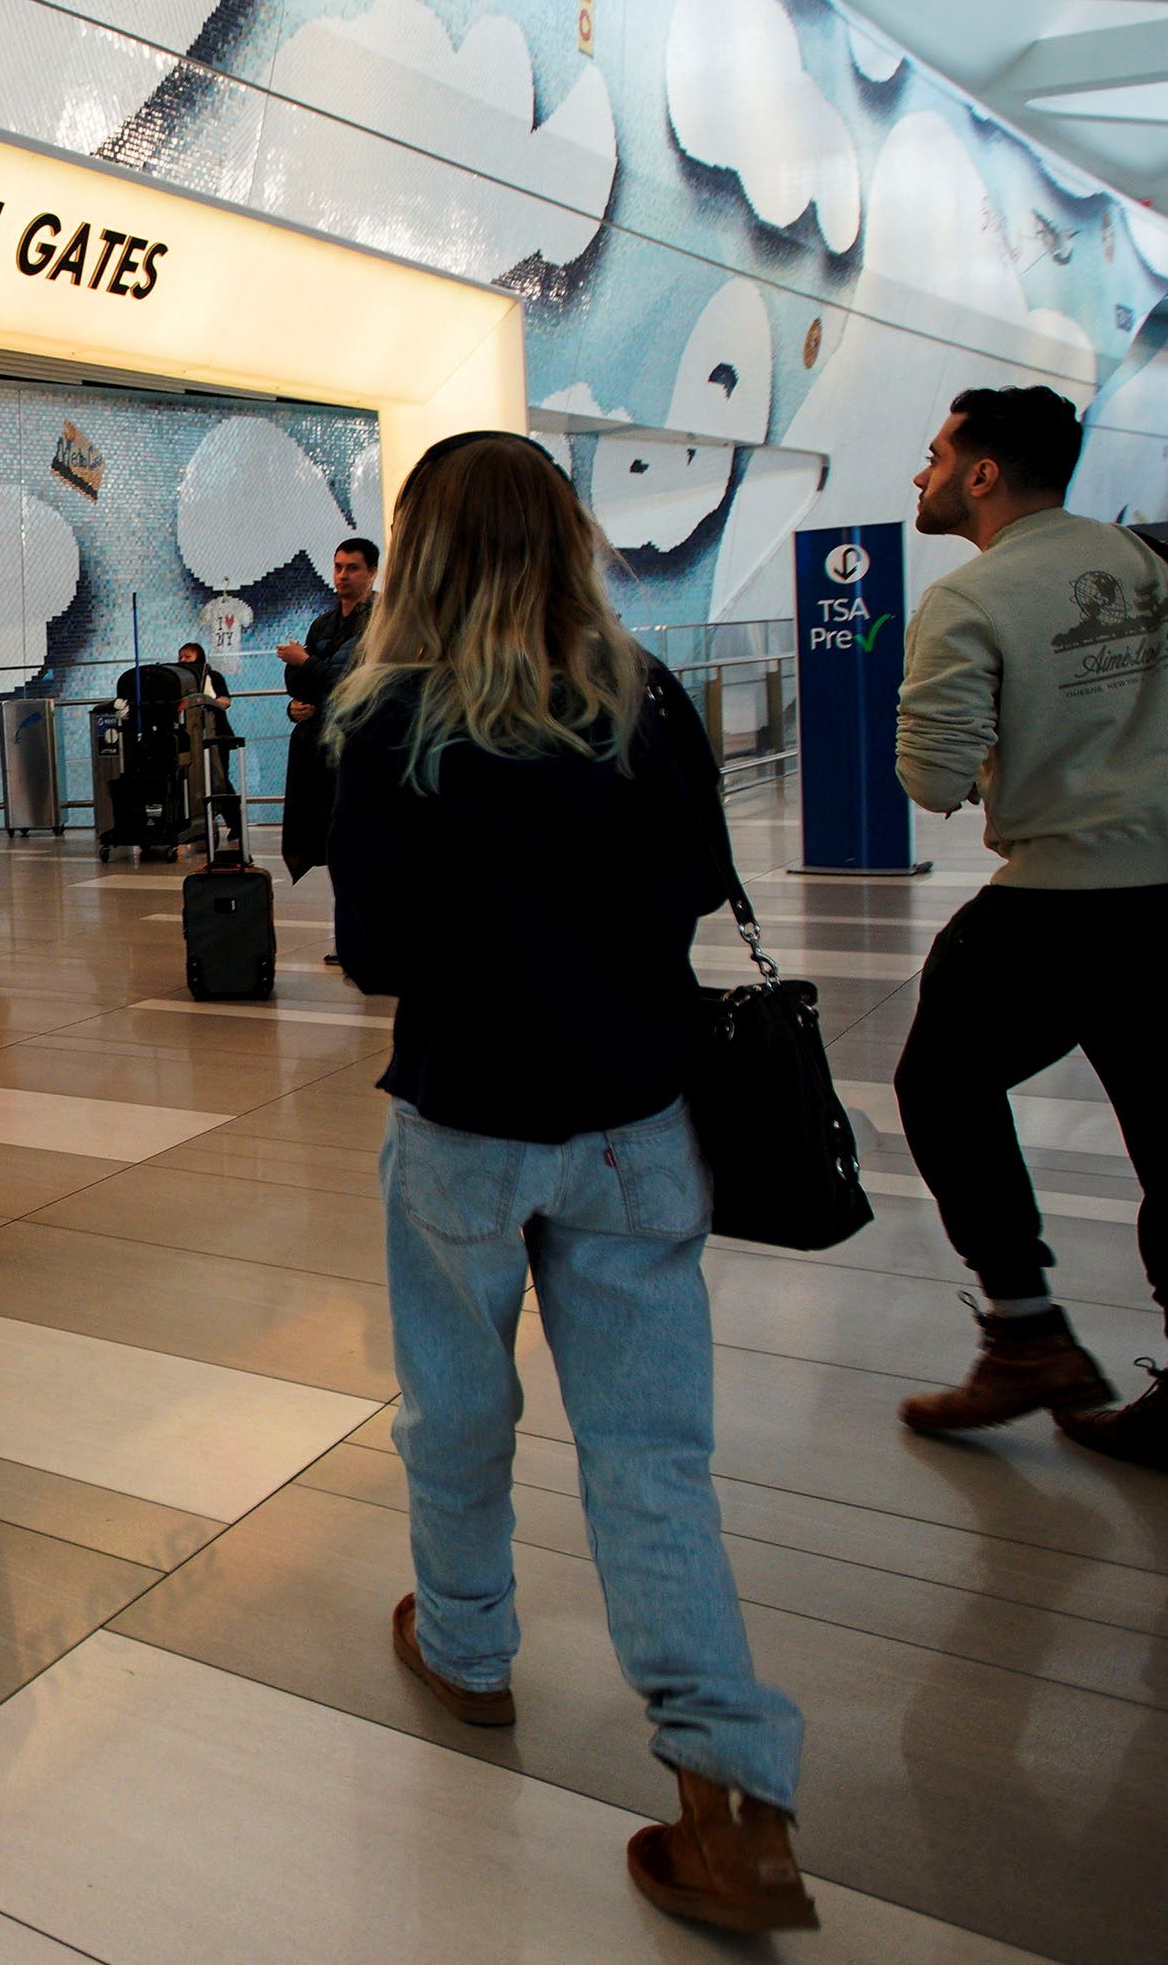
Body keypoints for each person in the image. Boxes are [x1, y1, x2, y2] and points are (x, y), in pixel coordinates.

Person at [327, 433, 812, 1935]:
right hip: (633, 1119)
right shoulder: (641, 695)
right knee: (653, 1455)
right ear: (568, 535)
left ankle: (469, 1649)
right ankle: (730, 1803)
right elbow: (690, 887)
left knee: (458, 1406)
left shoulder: (384, 717)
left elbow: (375, 951)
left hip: (468, 1118)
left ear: (418, 555)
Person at [890, 385, 1168, 1499]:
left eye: (932, 454)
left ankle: (1025, 1332)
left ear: (980, 475)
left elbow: (930, 780)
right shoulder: (1153, 571)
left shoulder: (971, 598)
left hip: (1058, 904)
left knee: (937, 1085)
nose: (917, 475)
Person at [280, 536, 378, 958]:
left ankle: (373, 937)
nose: (343, 575)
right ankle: (350, 937)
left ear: (371, 572)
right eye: (338, 567)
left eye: (352, 567)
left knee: (366, 844)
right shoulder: (323, 625)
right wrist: (296, 706)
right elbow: (303, 685)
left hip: (364, 747)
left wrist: (306, 664)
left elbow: (358, 682)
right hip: (322, 748)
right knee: (337, 843)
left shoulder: (383, 622)